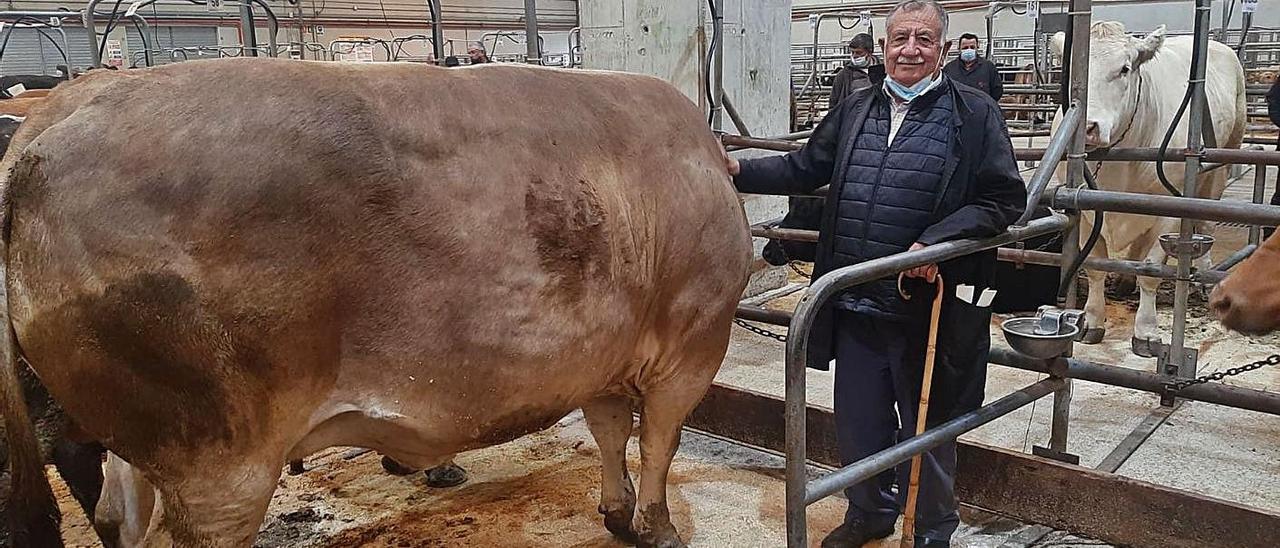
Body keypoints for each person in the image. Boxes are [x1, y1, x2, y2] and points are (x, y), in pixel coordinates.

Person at [724, 1, 1026, 546]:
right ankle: (869, 512)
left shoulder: (974, 114)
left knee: (928, 426)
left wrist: (936, 241)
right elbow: (805, 167)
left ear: (944, 49)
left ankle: (933, 527)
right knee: (858, 423)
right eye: (900, 38)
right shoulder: (858, 107)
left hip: (927, 306)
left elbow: (1003, 199)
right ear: (884, 45)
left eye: (924, 39)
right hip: (855, 298)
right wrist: (739, 169)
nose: (910, 49)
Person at [830, 33, 886, 110]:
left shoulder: (883, 70)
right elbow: (833, 104)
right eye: (852, 52)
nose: (854, 56)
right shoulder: (843, 75)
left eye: (859, 52)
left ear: (869, 52)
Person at [942, 33, 1003, 100]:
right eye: (965, 48)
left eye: (972, 47)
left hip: (981, 109)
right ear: (959, 49)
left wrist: (987, 105)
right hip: (956, 109)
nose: (969, 50)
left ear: (977, 48)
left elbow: (997, 91)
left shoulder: (988, 67)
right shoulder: (949, 69)